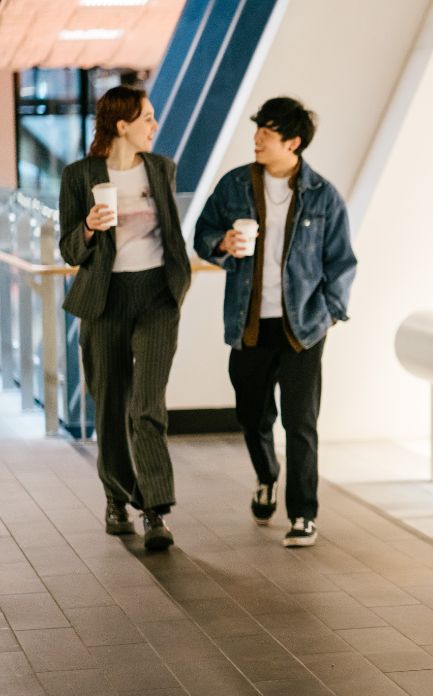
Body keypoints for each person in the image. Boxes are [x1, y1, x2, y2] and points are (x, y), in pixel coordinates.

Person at [194, 97, 357, 548]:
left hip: (302, 328)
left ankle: (303, 514)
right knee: (252, 414)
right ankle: (267, 475)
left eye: (267, 131)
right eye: (258, 130)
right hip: (249, 323)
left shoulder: (322, 195)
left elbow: (342, 262)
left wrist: (329, 314)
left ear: (294, 142)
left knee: (300, 422)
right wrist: (222, 242)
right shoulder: (234, 186)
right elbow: (202, 235)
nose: (257, 139)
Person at [59, 85, 192, 551]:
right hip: (105, 299)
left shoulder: (161, 169)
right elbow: (69, 249)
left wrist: (179, 285)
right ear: (123, 125)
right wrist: (90, 229)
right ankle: (117, 498)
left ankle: (155, 510)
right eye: (148, 118)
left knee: (147, 405)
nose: (154, 126)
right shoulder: (80, 176)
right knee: (110, 404)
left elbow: (172, 233)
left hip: (157, 296)